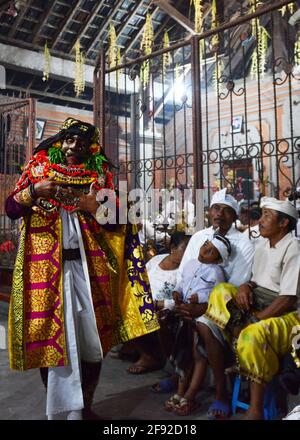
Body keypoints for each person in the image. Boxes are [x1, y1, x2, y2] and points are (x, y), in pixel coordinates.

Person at [5, 118, 159, 420]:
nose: (74, 146)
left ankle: (84, 408)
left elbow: (122, 222)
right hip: (45, 273)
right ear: (61, 141)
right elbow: (11, 209)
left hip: (90, 273)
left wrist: (94, 206)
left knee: (91, 341)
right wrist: (34, 191)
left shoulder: (100, 176)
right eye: (69, 140)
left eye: (82, 142)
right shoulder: (39, 168)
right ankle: (57, 408)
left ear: (92, 147)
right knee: (50, 339)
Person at [198, 196, 300, 419]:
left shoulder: (293, 248)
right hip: (259, 302)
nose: (260, 220)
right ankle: (241, 345)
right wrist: (244, 286)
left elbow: (288, 298)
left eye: (267, 216)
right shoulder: (262, 244)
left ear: (283, 223)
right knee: (221, 291)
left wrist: (256, 319)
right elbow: (255, 279)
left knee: (252, 334)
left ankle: (255, 408)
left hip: (287, 313)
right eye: (261, 214)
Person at [164, 234, 232, 416]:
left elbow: (216, 294)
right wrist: (177, 292)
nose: (205, 251)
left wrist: (199, 298)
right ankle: (180, 392)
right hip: (183, 311)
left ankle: (189, 394)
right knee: (182, 349)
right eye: (205, 246)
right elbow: (182, 283)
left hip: (199, 314)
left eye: (211, 252)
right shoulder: (190, 264)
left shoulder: (217, 272)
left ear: (218, 259)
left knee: (197, 353)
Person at [126, 231, 189, 374]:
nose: (188, 253)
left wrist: (158, 304)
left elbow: (180, 300)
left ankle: (150, 356)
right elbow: (140, 279)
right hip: (144, 300)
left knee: (144, 313)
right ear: (173, 247)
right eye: (185, 248)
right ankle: (143, 351)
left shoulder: (185, 269)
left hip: (164, 308)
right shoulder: (157, 259)